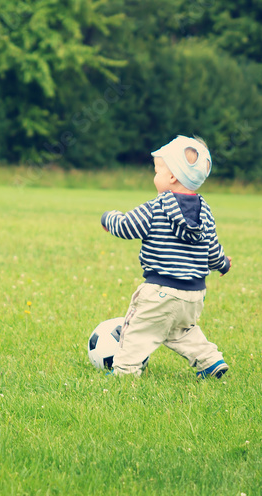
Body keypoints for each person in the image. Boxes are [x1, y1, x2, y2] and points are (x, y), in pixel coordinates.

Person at [100, 135, 233, 378]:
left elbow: (127, 226)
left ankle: (125, 372)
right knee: (181, 330)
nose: (155, 176)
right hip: (194, 295)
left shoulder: (156, 207)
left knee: (137, 330)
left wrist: (109, 218)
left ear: (172, 177)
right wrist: (223, 264)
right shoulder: (206, 213)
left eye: (157, 170)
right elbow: (212, 250)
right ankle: (211, 361)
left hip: (161, 291)